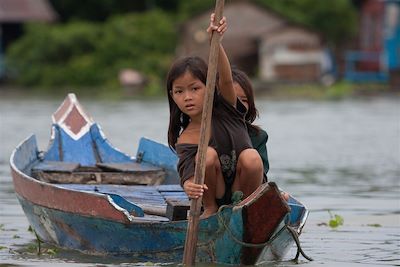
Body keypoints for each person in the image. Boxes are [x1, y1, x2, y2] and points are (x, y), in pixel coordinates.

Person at [166, 14, 263, 218]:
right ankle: (210, 209)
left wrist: (215, 42)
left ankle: (247, 208)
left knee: (251, 156)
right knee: (206, 155)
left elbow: (227, 80)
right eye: (179, 92)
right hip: (215, 193)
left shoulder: (227, 110)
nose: (188, 98)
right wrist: (188, 186)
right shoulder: (187, 137)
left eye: (195, 89)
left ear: (209, 88)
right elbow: (187, 174)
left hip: (241, 188)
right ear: (172, 96)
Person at [231, 67, 270, 180]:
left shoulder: (257, 136)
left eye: (244, 100)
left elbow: (261, 174)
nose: (239, 105)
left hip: (245, 190)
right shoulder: (208, 133)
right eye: (232, 99)